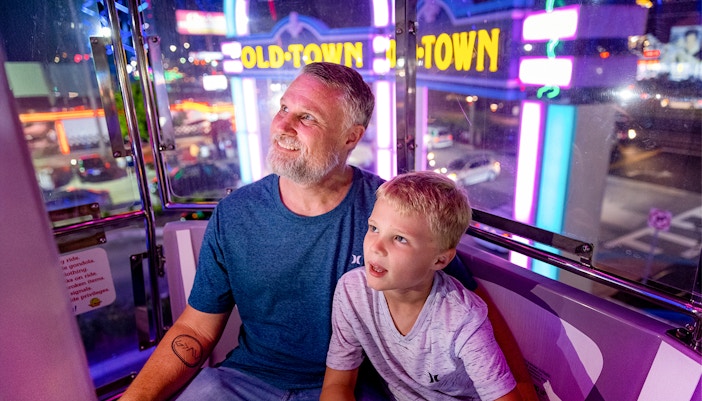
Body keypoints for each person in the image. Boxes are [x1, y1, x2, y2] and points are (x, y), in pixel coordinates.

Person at [120, 62, 476, 401]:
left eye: (306, 117)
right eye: (283, 108)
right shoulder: (235, 212)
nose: (282, 126)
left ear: (351, 137)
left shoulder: (393, 210)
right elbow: (196, 329)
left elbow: (470, 308)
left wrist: (518, 385)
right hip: (245, 380)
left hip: (352, 385)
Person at [321, 171, 522, 401]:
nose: (376, 247)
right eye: (374, 228)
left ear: (440, 260)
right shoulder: (351, 291)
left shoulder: (463, 319)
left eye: (400, 239)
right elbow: (337, 383)